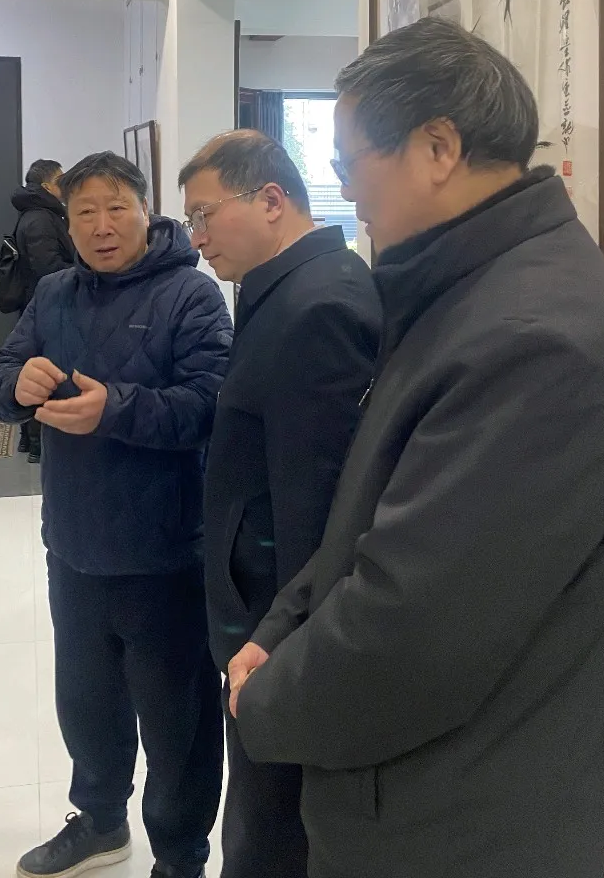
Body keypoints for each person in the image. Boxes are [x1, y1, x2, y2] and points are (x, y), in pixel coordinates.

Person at [228, 19, 604, 878]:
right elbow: (369, 521)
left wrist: (264, 698)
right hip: (414, 797)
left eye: (352, 160)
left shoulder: (536, 343)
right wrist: (280, 629)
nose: (343, 186)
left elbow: (411, 633)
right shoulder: (468, 291)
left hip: (458, 825)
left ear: (438, 147)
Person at [0, 151, 232, 878]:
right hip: (74, 547)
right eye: (84, 212)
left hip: (165, 553)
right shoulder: (54, 292)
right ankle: (99, 822)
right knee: (87, 705)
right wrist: (15, 386)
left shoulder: (192, 295)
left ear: (147, 212)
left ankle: (180, 857)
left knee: (177, 723)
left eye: (116, 208)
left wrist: (113, 410)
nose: (101, 226)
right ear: (67, 222)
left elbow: (209, 406)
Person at [177, 130, 380, 878]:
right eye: (190, 221)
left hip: (275, 617)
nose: (197, 238)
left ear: (271, 200)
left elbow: (319, 503)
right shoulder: (286, 289)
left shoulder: (317, 305)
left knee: (270, 825)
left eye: (205, 215)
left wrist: (285, 638)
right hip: (260, 602)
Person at [11, 158, 75, 462]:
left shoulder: (39, 213)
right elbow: (47, 267)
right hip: (44, 305)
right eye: (61, 179)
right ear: (48, 186)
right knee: (42, 372)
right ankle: (36, 444)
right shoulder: (40, 218)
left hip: (39, 301)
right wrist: (82, 271)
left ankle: (30, 439)